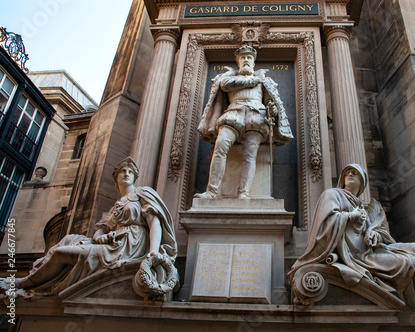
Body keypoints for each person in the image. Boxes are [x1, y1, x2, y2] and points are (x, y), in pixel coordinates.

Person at [288, 163, 415, 317]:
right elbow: (324, 228)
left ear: (362, 182)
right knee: (410, 262)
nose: (350, 175)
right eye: (347, 172)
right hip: (355, 258)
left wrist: (374, 235)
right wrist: (350, 217)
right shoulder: (333, 195)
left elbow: (380, 234)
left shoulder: (364, 208)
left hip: (371, 251)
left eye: (355, 173)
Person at [0, 157, 177, 297]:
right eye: (122, 171)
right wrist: (99, 236)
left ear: (135, 176)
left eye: (130, 171)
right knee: (69, 239)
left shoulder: (142, 193)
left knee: (61, 253)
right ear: (116, 179)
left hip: (130, 245)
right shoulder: (117, 205)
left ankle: (23, 283)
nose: (126, 173)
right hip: (113, 244)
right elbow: (101, 227)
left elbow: (154, 222)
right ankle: (30, 282)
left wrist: (153, 252)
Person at [195, 45, 293, 199]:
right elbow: (225, 86)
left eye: (249, 58)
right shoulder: (229, 79)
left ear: (253, 62)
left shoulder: (264, 82)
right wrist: (253, 80)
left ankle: (243, 192)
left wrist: (272, 110)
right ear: (239, 62)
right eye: (243, 58)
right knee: (220, 145)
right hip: (233, 114)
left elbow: (269, 101)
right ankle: (212, 191)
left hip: (256, 117)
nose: (246, 60)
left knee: (250, 155)